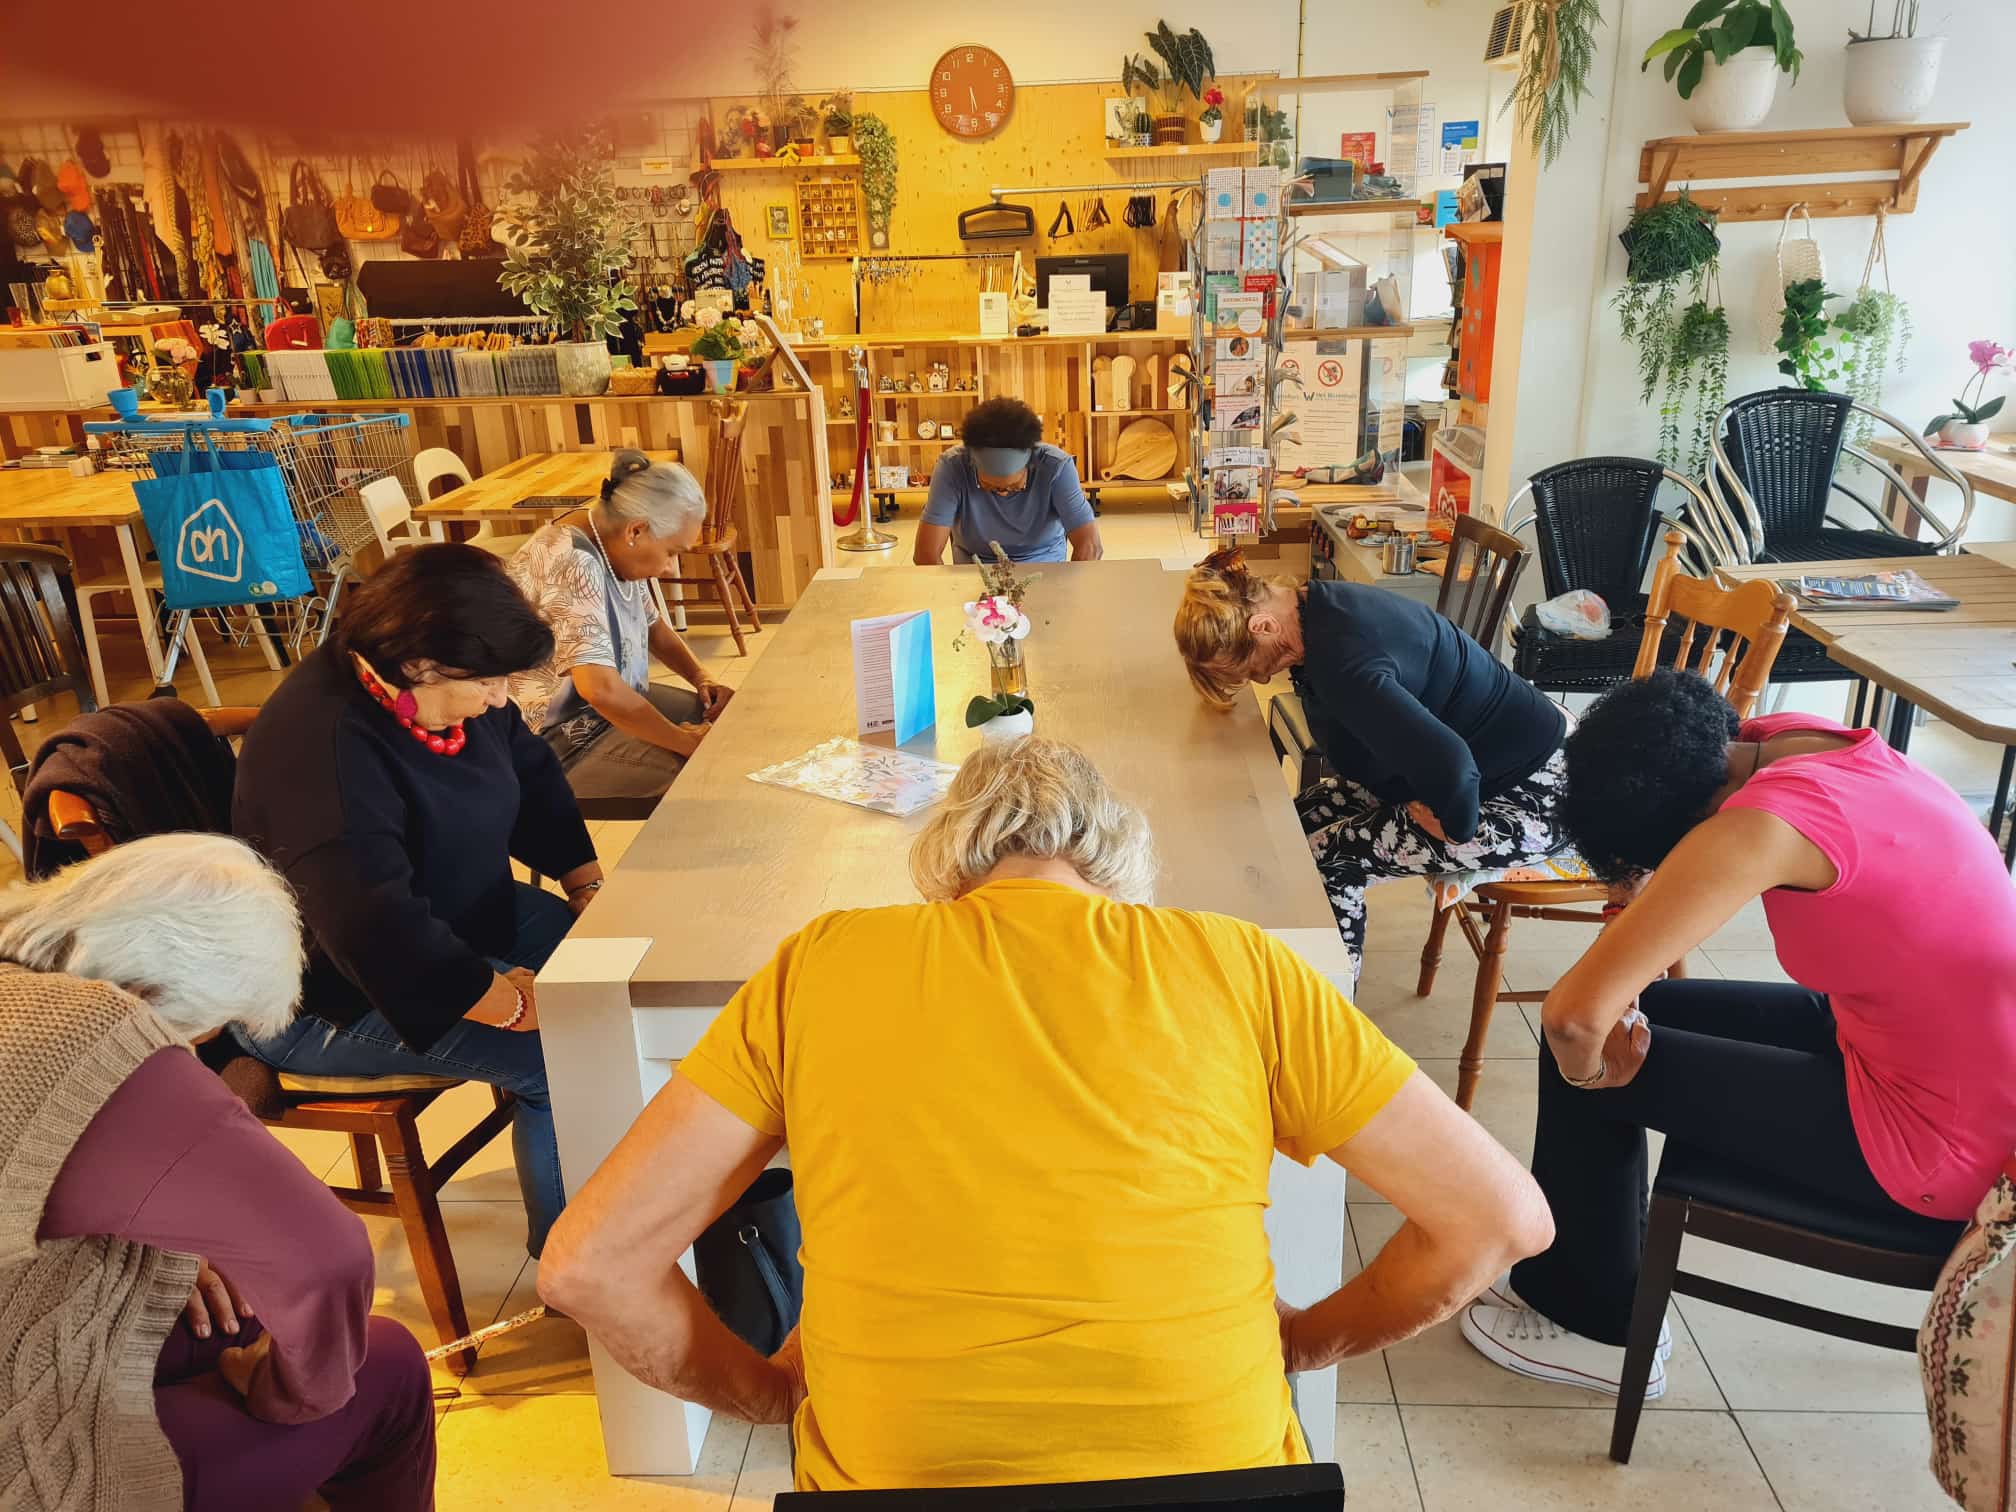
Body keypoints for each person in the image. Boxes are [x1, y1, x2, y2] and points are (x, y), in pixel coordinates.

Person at [538, 737, 1551, 1491]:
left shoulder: (824, 961)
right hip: (1214, 1483)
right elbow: (1500, 1218)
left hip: (904, 1482)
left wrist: (766, 1394)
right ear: (1118, 862)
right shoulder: (1235, 962)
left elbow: (588, 1265)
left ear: (947, 859)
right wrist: (1304, 1343)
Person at [1461, 670, 2016, 1398]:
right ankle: (1585, 1274)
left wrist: (1600, 1076)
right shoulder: (1777, 739)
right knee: (1638, 1017)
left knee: (1581, 1051)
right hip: (1929, 1057)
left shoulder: (1758, 825)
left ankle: (1592, 1326)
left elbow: (1575, 1016)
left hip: (1936, 1140)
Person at [1, 833, 435, 1510]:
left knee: (233, 1309)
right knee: (386, 1364)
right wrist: (285, 1394)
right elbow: (328, 1259)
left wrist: (171, 1235)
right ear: (143, 992)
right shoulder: (99, 1034)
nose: (195, 1053)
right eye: (201, 1031)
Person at [232, 543, 602, 1258]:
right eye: (491, 682)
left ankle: (635, 1196)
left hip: (461, 920)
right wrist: (513, 1004)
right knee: (564, 1054)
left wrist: (584, 879)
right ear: (421, 665)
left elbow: (530, 772)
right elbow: (372, 925)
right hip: (328, 992)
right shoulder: (324, 747)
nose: (501, 699)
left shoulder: (440, 691)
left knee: (615, 974)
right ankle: (577, 1267)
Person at [1174, 547, 1572, 978]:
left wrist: (1457, 829)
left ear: (1264, 625)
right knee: (1288, 826)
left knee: (1331, 858)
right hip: (1474, 766)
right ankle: (1271, 961)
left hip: (1531, 798)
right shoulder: (1318, 606)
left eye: (1246, 665)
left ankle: (1332, 1006)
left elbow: (1453, 764)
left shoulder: (1346, 665)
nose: (1260, 679)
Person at [506, 449, 735, 802]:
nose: (672, 569)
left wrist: (702, 677)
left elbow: (655, 628)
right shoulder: (573, 563)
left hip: (596, 710)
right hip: (553, 739)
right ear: (637, 531)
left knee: (721, 725)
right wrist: (686, 742)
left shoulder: (610, 539)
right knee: (708, 770)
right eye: (672, 552)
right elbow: (600, 692)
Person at [914, 397, 1104, 565]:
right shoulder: (952, 466)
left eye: (1013, 487)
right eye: (989, 487)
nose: (1002, 493)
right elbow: (926, 554)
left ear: (1031, 463)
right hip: (975, 570)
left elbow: (1090, 545)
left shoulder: (1056, 467)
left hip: (1043, 567)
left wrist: (1071, 590)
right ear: (972, 463)